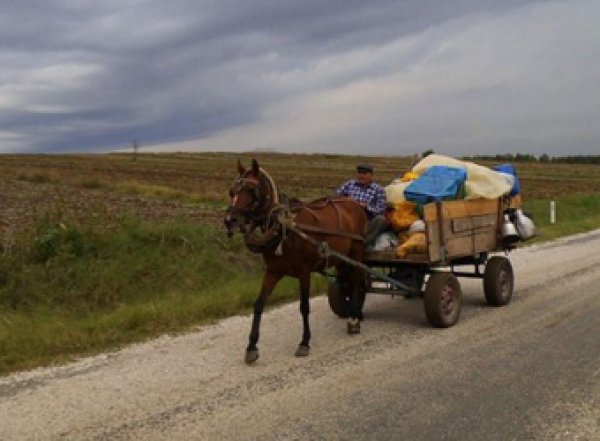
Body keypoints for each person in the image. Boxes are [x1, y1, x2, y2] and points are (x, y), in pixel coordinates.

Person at [336, 164, 390, 246]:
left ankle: (362, 243)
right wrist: (348, 202)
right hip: (346, 217)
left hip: (366, 220)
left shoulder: (378, 190)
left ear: (371, 175)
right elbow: (336, 198)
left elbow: (381, 210)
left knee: (381, 220)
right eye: (360, 173)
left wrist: (367, 207)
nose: (362, 176)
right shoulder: (349, 184)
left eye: (365, 174)